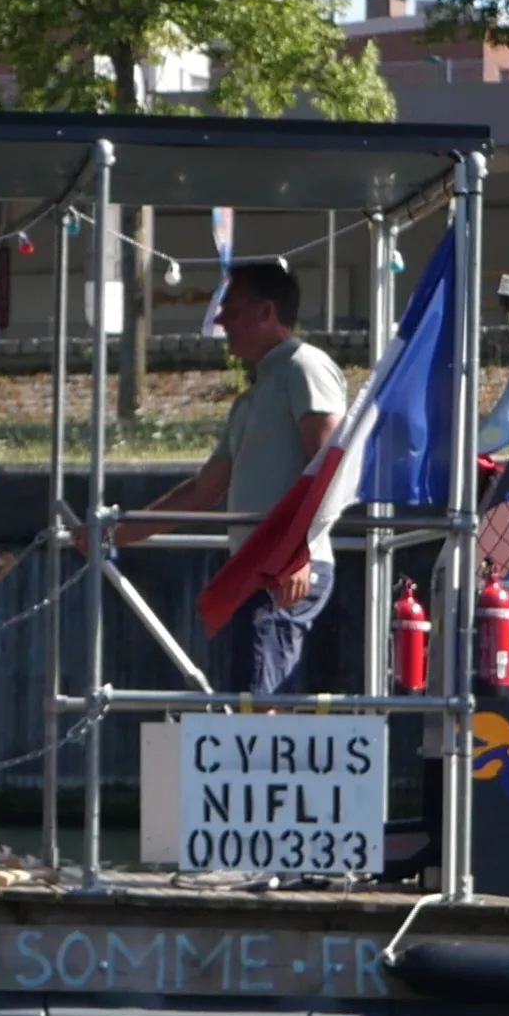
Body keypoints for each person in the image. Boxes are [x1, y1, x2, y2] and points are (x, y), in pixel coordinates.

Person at [124, 254, 346, 699]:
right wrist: (119, 532)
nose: (220, 319)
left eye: (232, 308)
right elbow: (204, 489)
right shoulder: (254, 395)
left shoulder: (304, 366)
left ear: (267, 313)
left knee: (258, 704)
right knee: (256, 696)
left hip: (284, 567)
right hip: (259, 568)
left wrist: (296, 552)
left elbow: (330, 464)